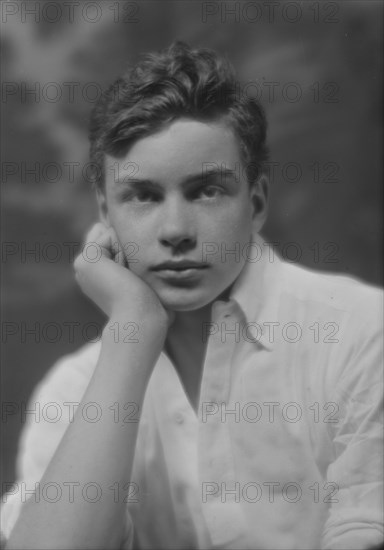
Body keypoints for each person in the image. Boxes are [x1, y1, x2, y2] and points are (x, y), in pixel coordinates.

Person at [1, 41, 383, 550]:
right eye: (143, 196)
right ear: (105, 213)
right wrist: (133, 332)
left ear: (258, 201)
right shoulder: (73, 390)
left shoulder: (362, 334)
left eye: (207, 190)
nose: (176, 230)